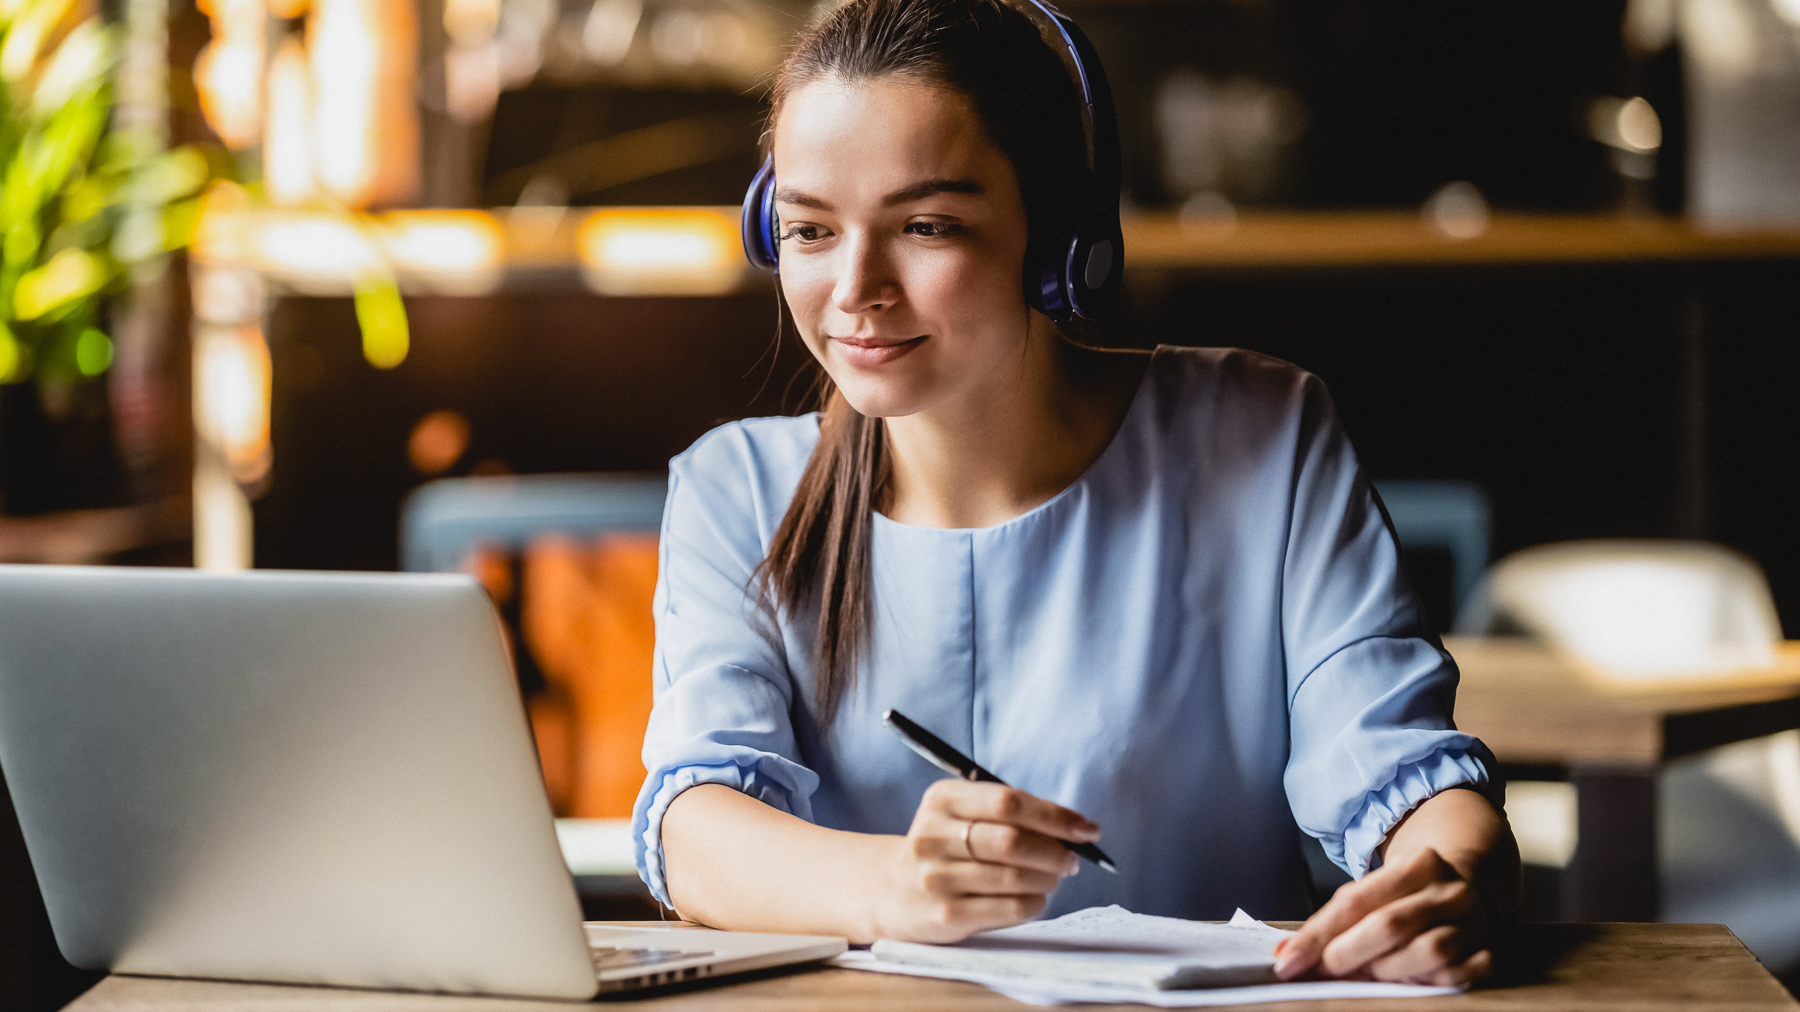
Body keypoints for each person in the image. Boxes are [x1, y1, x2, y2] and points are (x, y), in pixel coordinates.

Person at [632, 0, 1520, 986]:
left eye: (927, 225)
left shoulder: (1261, 435)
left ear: (1058, 236)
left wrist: (1454, 877)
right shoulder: (736, 489)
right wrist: (898, 886)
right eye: (809, 229)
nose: (855, 288)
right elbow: (695, 827)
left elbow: (1401, 769)